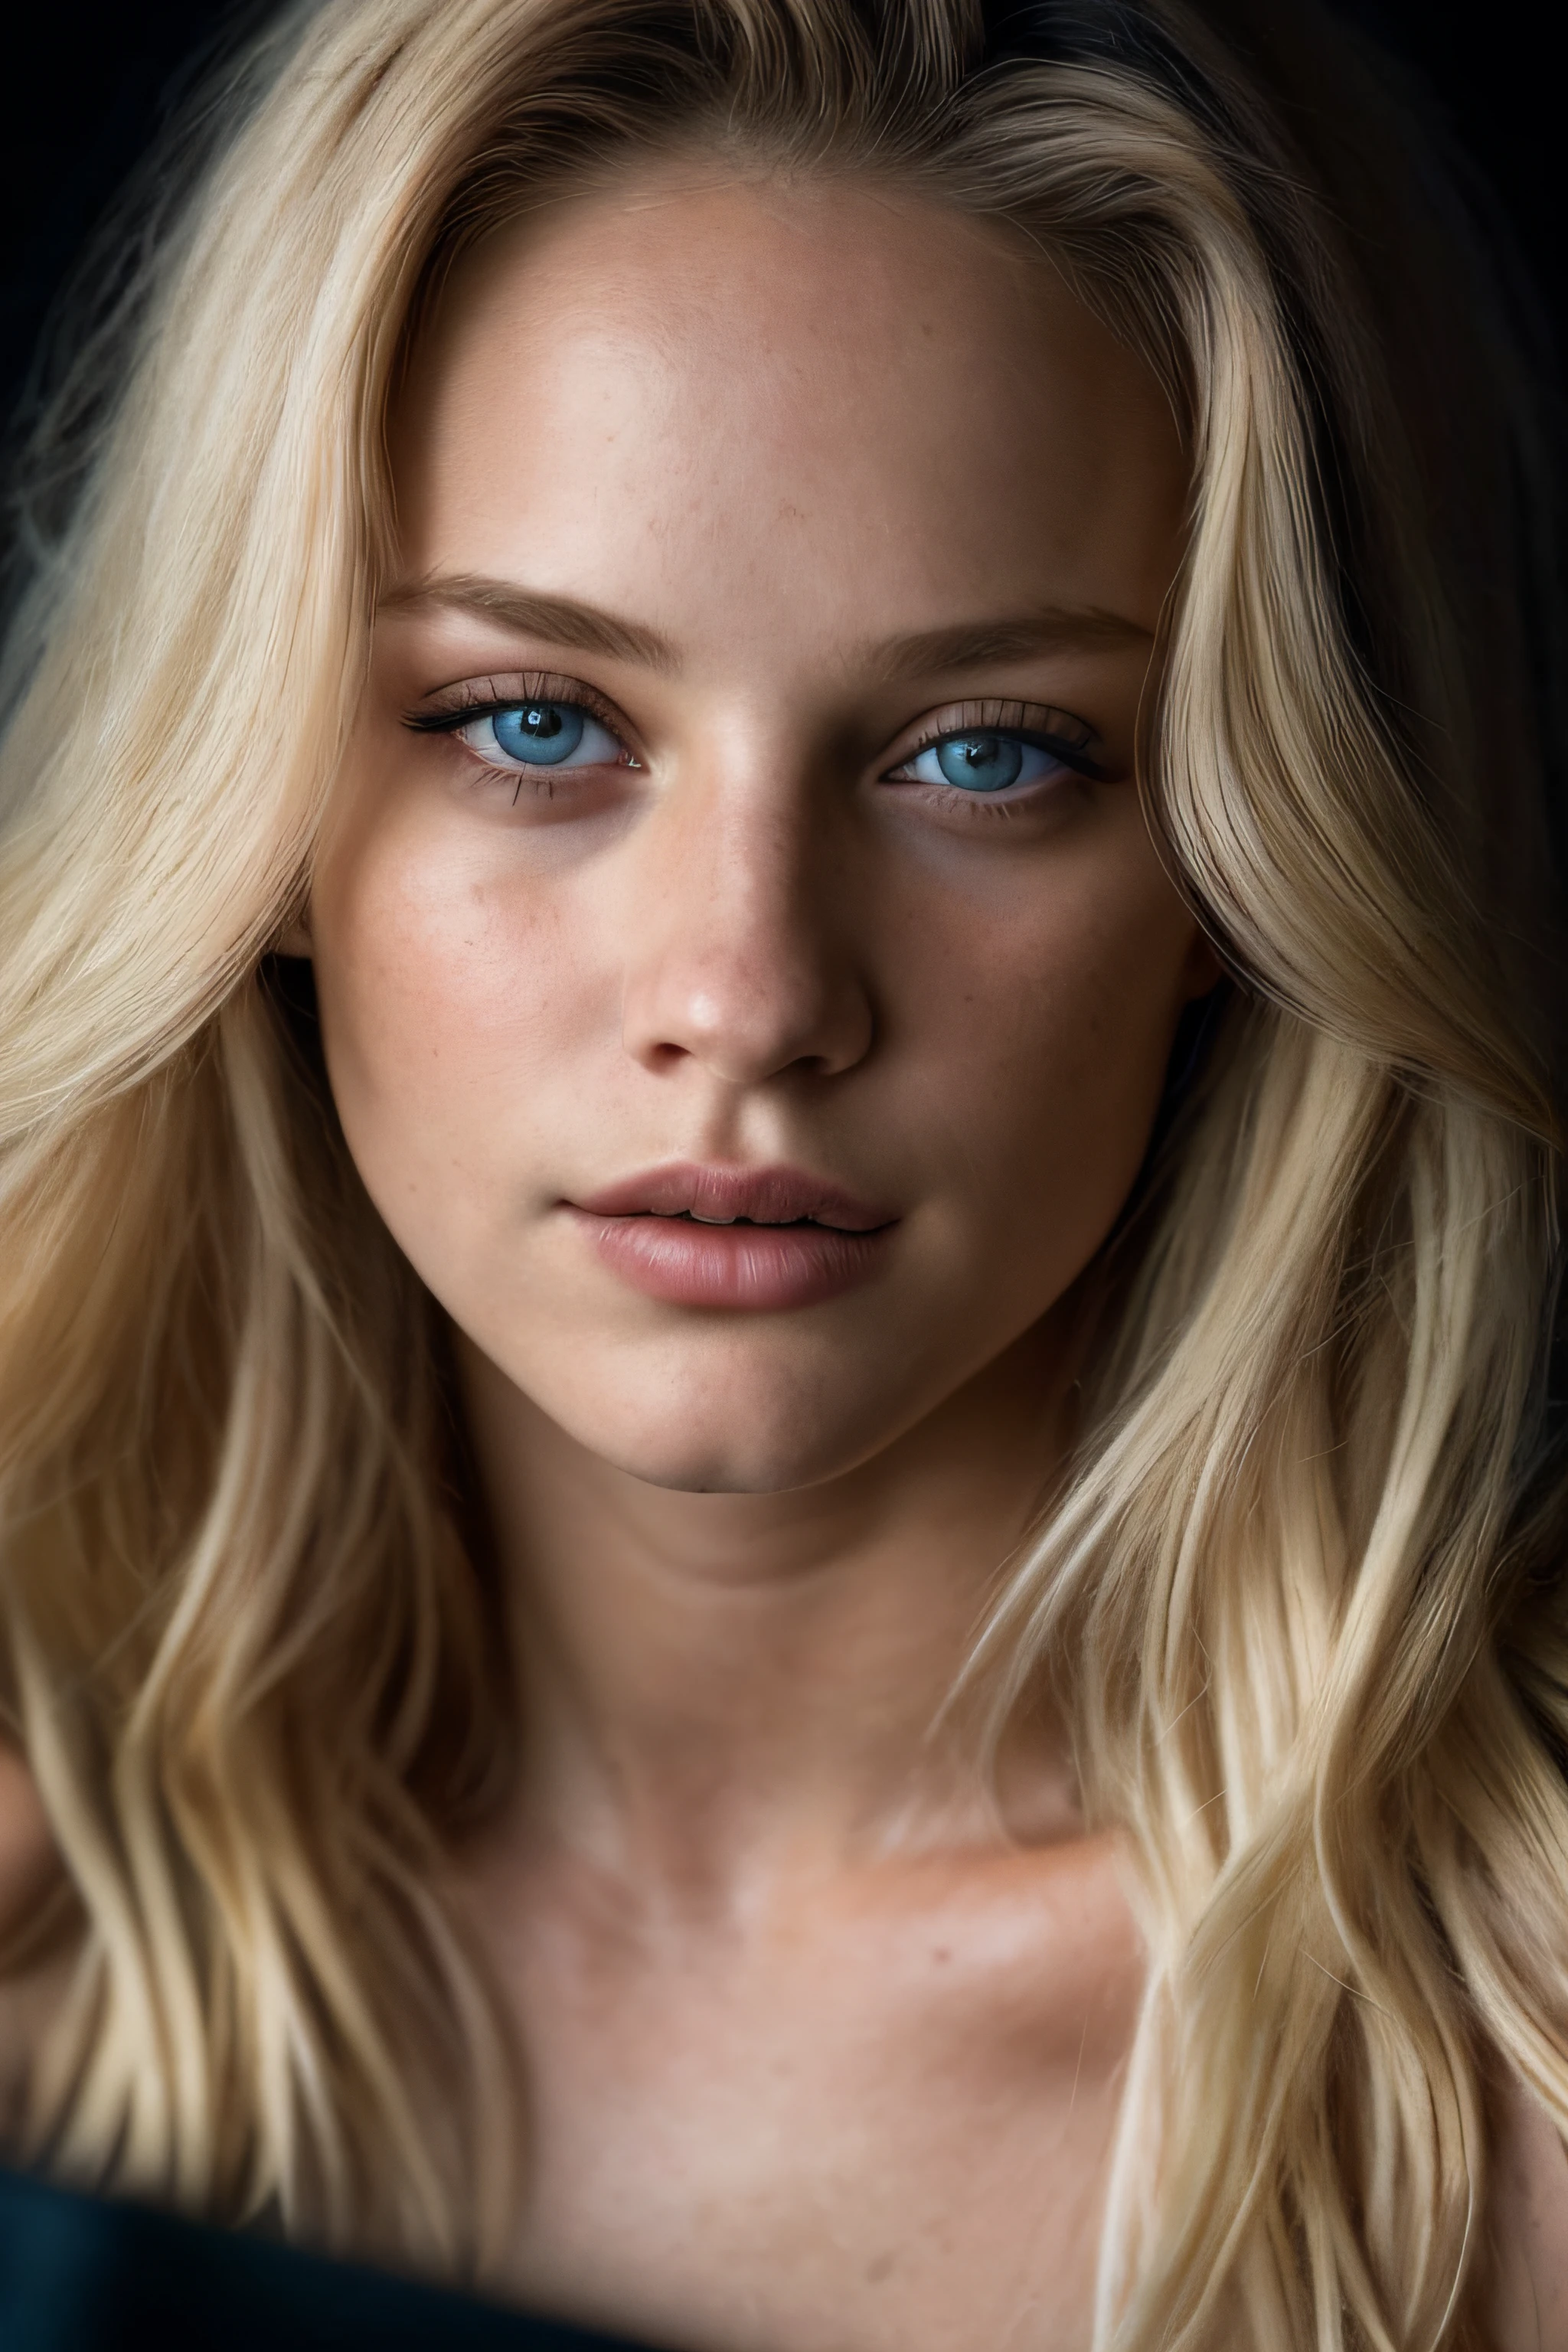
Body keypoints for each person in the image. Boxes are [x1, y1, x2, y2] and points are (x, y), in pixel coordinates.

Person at [1, 0, 1565, 2343]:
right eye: (533, 724)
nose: (747, 995)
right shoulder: (40, 1961)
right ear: (265, 811)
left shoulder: (1515, 2081)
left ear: (1245, 867)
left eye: (987, 753)